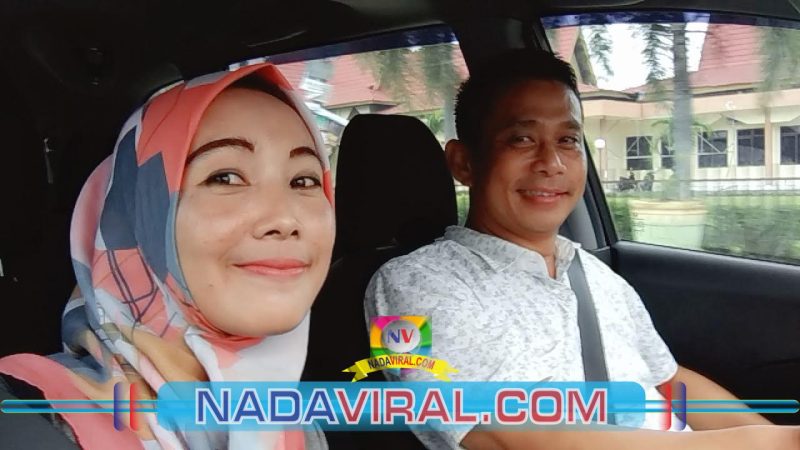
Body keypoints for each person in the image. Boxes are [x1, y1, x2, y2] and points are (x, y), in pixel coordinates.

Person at [364, 48, 800, 450]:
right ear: (464, 162)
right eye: (521, 139)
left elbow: (668, 380)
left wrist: (767, 434)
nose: (551, 163)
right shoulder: (403, 287)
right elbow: (497, 433)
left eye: (568, 141)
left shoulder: (595, 274)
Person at [0, 63, 335, 449]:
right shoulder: (27, 416)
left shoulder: (292, 419)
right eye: (225, 177)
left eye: (304, 180)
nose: (286, 219)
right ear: (140, 217)